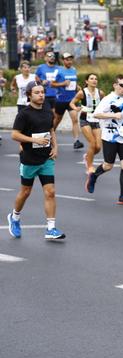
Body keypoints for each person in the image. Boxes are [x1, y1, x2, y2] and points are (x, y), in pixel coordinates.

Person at [7, 82, 65, 240]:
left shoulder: (47, 109)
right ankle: (15, 217)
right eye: (37, 93)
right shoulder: (24, 114)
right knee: (26, 192)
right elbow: (14, 135)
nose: (41, 95)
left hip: (46, 158)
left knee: (50, 192)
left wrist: (56, 146)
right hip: (29, 159)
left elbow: (51, 129)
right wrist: (32, 140)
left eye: (42, 92)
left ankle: (51, 228)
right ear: (29, 95)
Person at [85, 75, 123, 205]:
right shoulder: (107, 99)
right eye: (122, 85)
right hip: (110, 136)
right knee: (108, 165)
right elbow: (96, 114)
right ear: (115, 85)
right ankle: (94, 176)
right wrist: (113, 114)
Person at [70, 73, 104, 173]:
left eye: (96, 79)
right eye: (92, 78)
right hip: (85, 119)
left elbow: (106, 104)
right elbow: (71, 103)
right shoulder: (82, 93)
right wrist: (76, 108)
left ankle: (87, 156)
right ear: (86, 81)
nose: (94, 80)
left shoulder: (100, 93)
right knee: (92, 143)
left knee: (98, 147)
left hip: (96, 120)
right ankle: (89, 167)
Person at [51, 53, 83, 150]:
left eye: (70, 59)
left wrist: (77, 87)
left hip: (72, 100)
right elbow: (52, 84)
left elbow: (74, 82)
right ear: (63, 60)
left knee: (75, 119)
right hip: (61, 100)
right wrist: (63, 83)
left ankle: (76, 141)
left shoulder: (73, 70)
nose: (69, 61)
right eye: (67, 59)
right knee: (57, 120)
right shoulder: (58, 71)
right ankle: (49, 136)